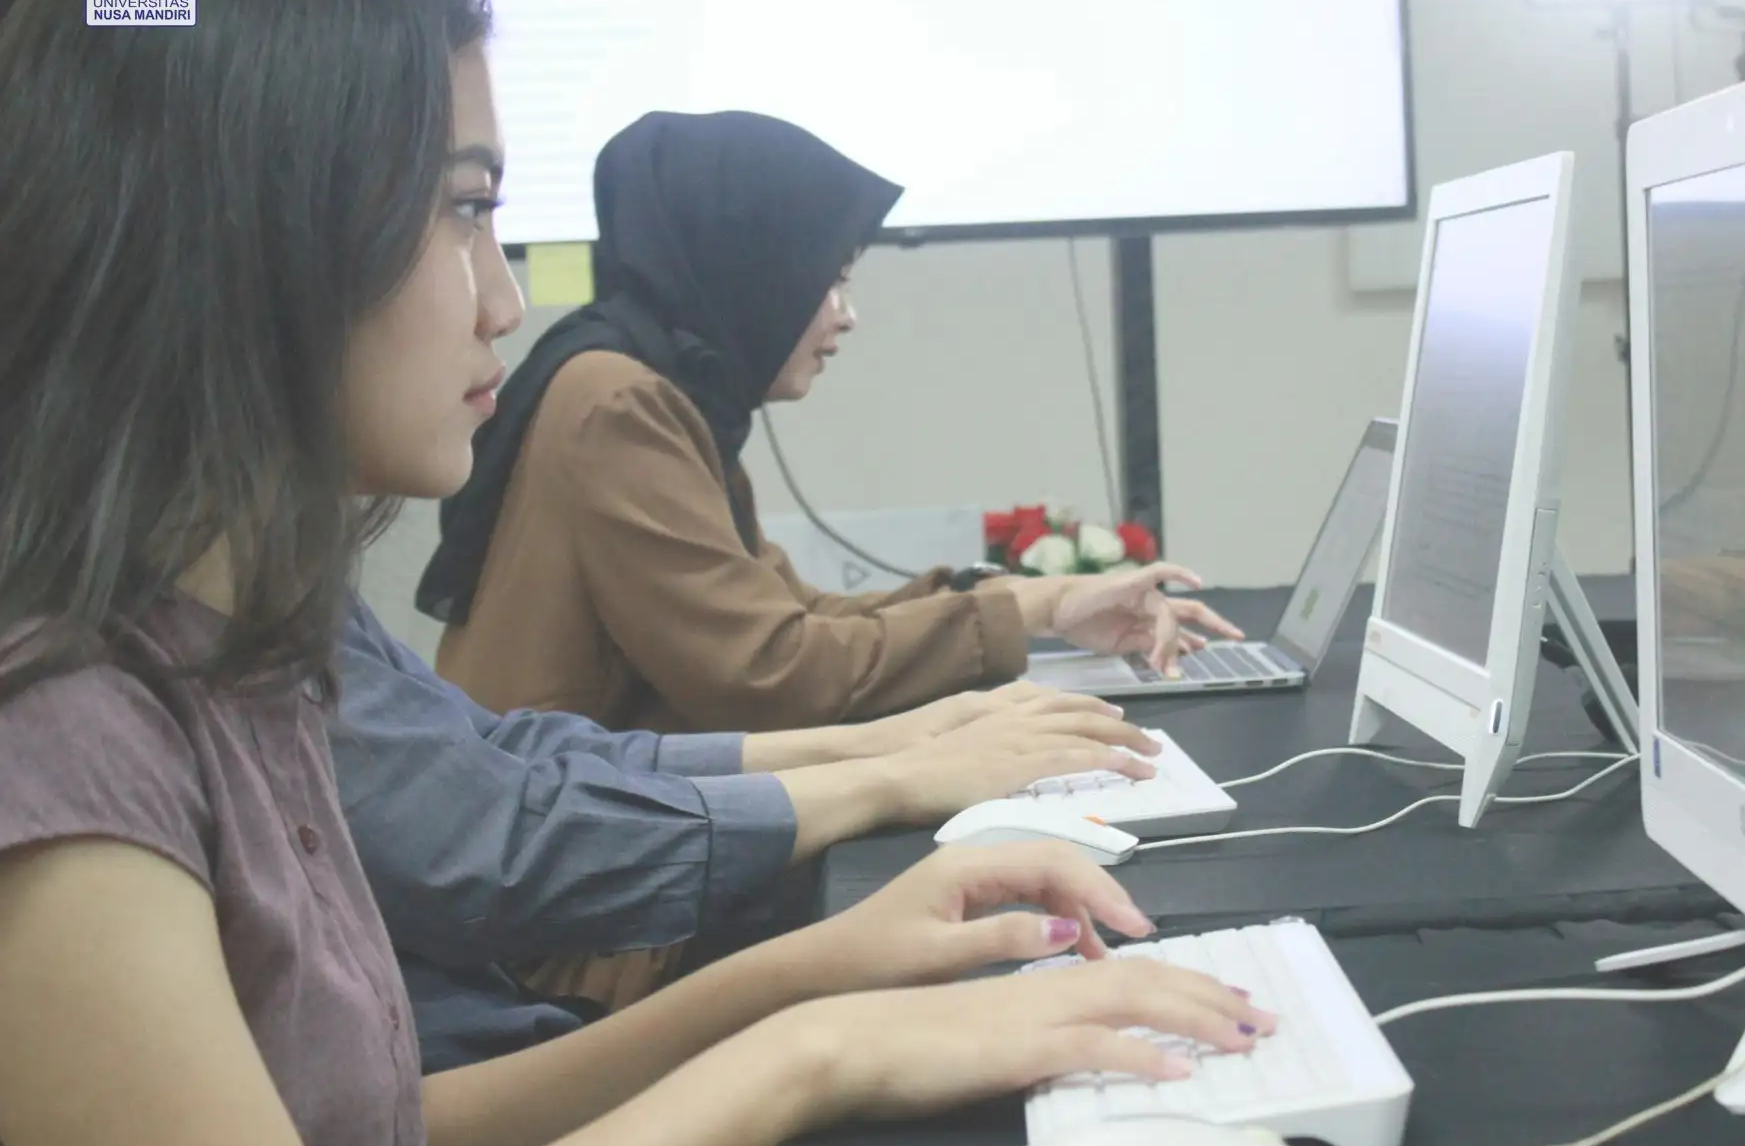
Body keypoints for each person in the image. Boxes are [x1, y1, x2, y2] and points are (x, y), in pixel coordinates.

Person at [0, 0, 1273, 1146]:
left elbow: (377, 1142)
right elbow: (741, 679)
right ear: (253, 231)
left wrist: (812, 987)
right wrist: (811, 1043)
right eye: (464, 210)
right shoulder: (62, 732)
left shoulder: (245, 635)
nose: (503, 299)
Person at [416, 110, 1244, 735]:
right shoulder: (620, 403)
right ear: (754, 270)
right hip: (578, 887)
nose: (846, 315)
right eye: (831, 279)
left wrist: (1044, 601)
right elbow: (772, 673)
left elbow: (792, 619)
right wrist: (1023, 611)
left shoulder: (657, 384)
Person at [334, 593, 1160, 1064]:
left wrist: (883, 745)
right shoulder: (617, 399)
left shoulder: (298, 587)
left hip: (536, 1018)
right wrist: (890, 778)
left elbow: (517, 751)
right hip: (592, 960)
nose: (497, 340)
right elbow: (767, 662)